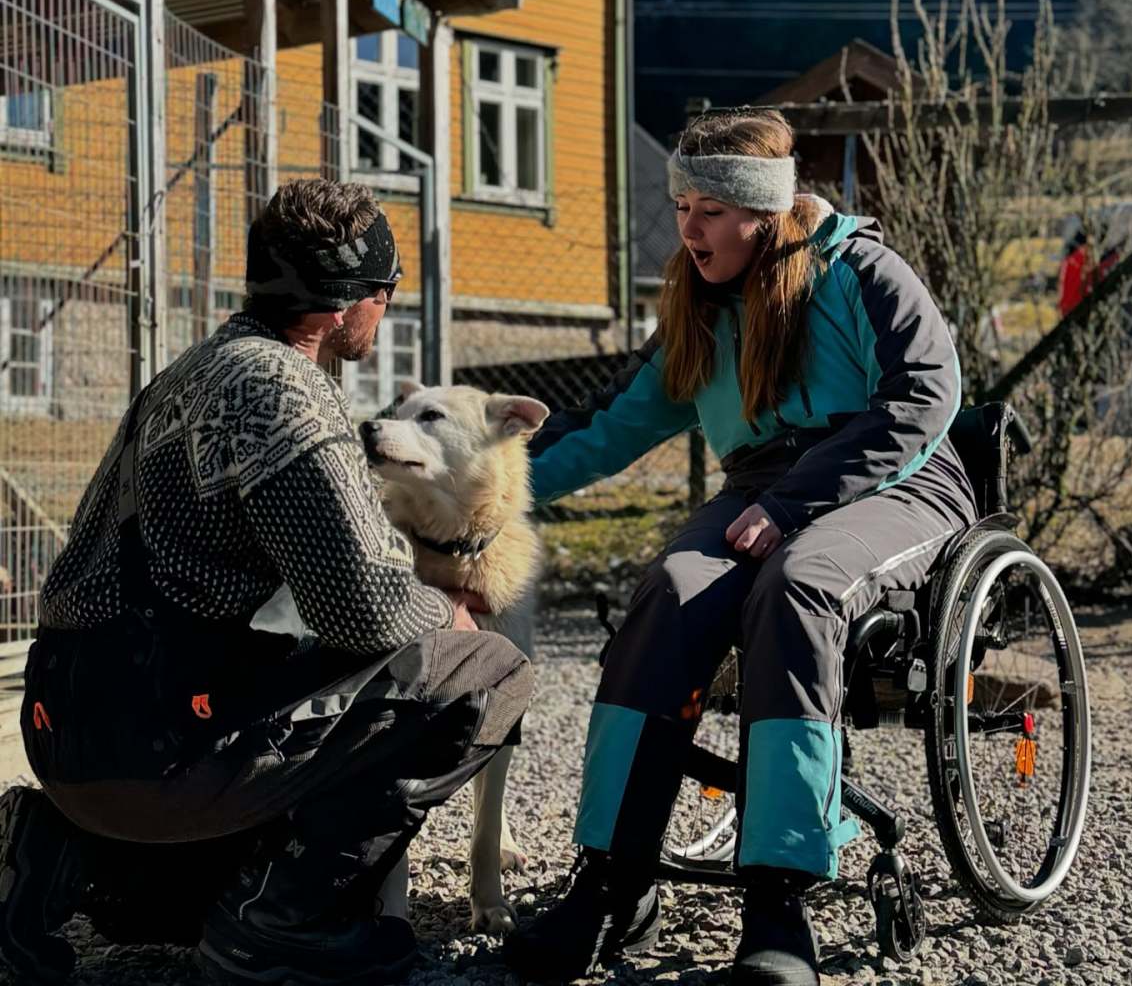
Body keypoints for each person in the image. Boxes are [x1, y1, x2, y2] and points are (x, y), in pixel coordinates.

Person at [0, 179, 532, 986]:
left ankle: (51, 852)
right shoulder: (285, 395)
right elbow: (363, 608)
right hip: (165, 750)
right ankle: (285, 921)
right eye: (384, 293)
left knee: (179, 908)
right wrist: (450, 610)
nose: (385, 306)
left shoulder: (190, 368)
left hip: (69, 737)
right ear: (345, 303)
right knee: (487, 672)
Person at [504, 110, 977, 986]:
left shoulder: (859, 268)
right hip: (761, 488)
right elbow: (610, 427)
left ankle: (777, 899)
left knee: (800, 582)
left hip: (897, 483)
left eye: (712, 209)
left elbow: (922, 396)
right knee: (670, 592)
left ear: (763, 211)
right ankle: (612, 880)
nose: (689, 227)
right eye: (682, 204)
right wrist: (482, 493)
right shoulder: (699, 304)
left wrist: (799, 501)